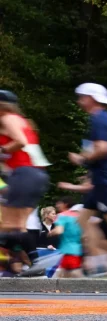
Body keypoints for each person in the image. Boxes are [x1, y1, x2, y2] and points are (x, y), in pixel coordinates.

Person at [69, 83, 107, 273]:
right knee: (82, 222)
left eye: (82, 97)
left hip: (104, 180)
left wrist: (83, 158)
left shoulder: (99, 119)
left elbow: (104, 148)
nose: (80, 101)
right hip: (101, 180)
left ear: (92, 98)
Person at [0, 90, 50, 274]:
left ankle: (23, 262)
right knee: (16, 225)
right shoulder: (22, 120)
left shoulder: (8, 118)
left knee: (9, 224)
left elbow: (19, 142)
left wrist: (2, 150)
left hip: (25, 173)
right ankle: (30, 264)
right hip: (34, 174)